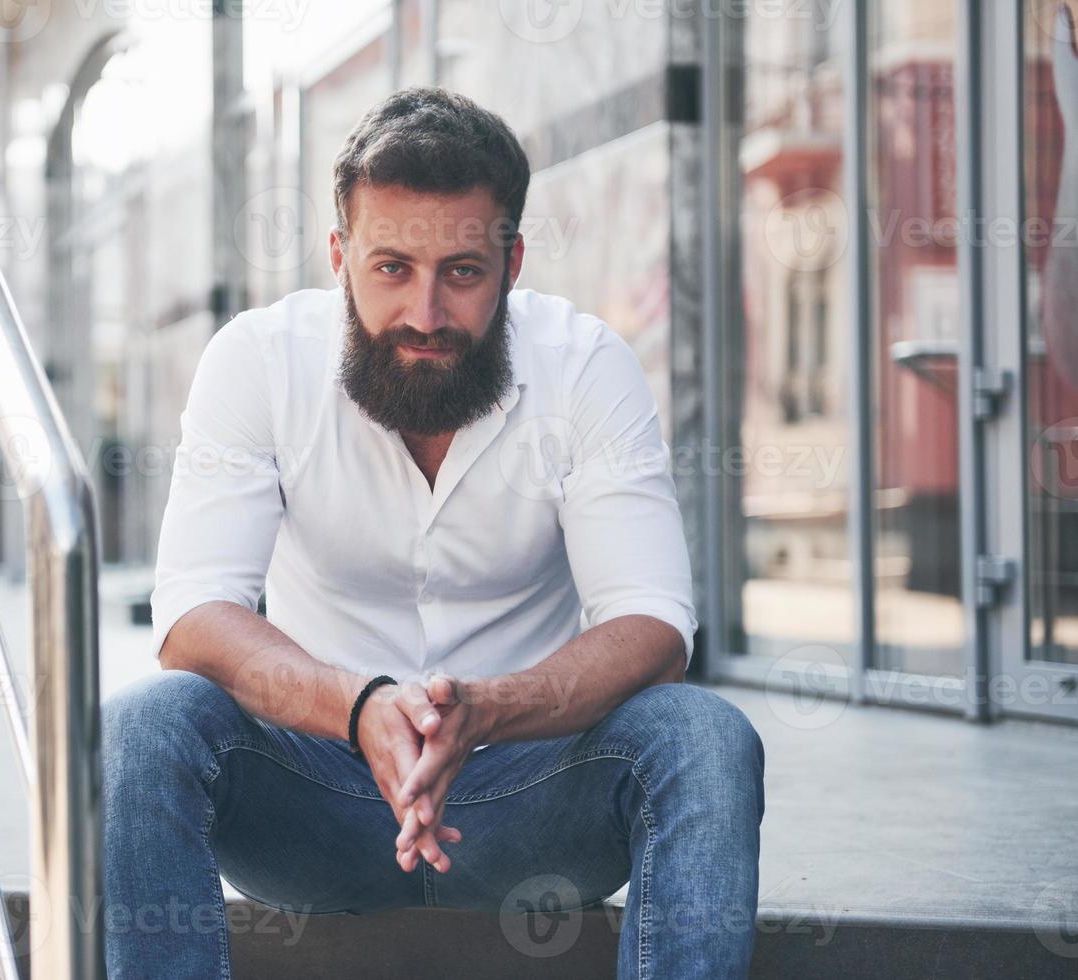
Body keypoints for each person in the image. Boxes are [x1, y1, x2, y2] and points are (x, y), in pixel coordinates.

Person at [103, 85, 765, 978]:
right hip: (314, 800)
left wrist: (489, 709)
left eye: (460, 271)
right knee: (143, 729)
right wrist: (360, 706)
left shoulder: (585, 365)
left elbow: (652, 625)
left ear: (512, 260)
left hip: (527, 801)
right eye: (390, 269)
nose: (424, 313)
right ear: (338, 255)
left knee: (704, 738)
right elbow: (192, 616)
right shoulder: (256, 361)